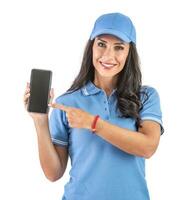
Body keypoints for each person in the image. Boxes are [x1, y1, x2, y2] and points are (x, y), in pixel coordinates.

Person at [24, 12, 164, 200]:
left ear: (129, 52)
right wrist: (40, 121)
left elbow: (148, 147)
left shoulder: (146, 97)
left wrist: (93, 123)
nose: (108, 55)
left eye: (119, 47)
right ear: (91, 47)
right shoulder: (67, 103)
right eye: (101, 44)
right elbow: (53, 173)